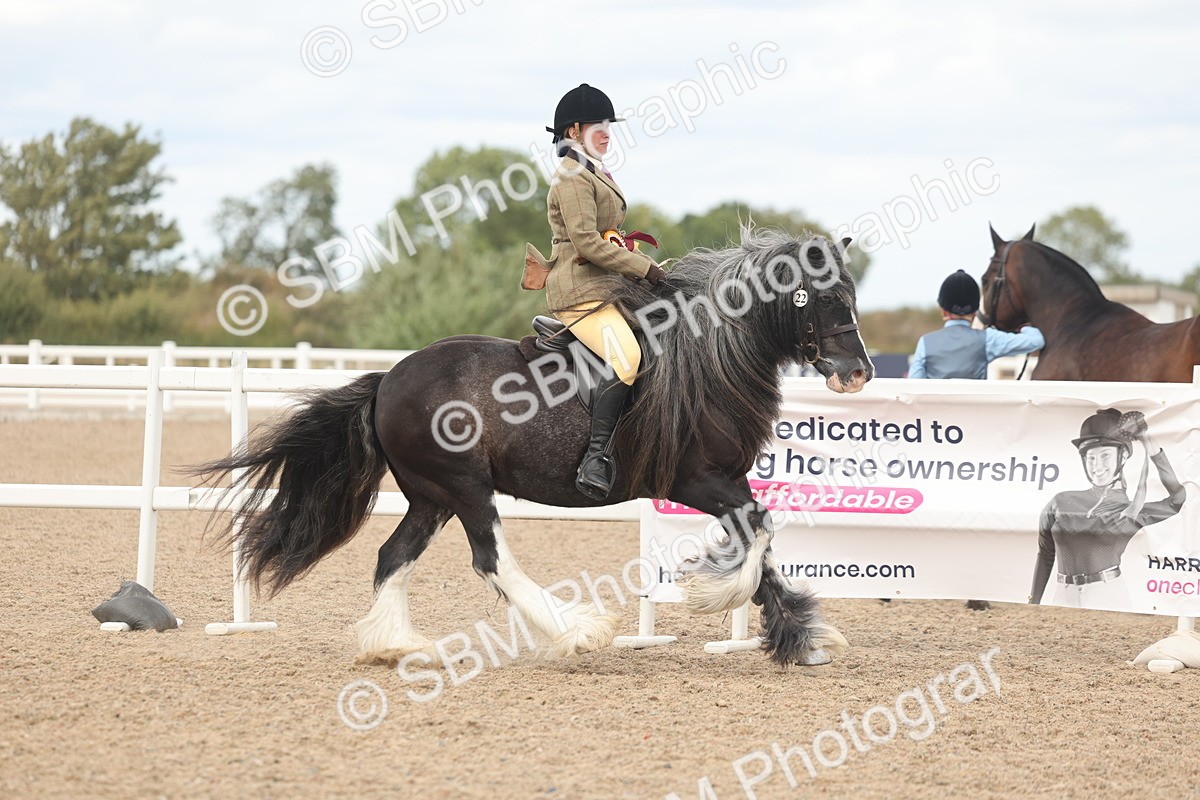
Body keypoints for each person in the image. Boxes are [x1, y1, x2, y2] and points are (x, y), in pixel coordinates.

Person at [530, 84, 667, 501]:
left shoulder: (593, 170)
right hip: (580, 292)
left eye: (609, 125)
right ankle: (596, 457)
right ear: (574, 130)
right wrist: (646, 269)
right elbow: (587, 244)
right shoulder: (572, 178)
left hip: (604, 285)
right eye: (599, 126)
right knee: (627, 357)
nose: (608, 133)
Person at [1029, 409, 1185, 609]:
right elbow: (1045, 553)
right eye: (1090, 458)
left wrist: (1150, 444)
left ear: (1123, 456)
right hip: (1063, 595)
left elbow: (1177, 499)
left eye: (1105, 456)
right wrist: (1033, 602)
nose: (1097, 466)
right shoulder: (1060, 501)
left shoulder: (1132, 511)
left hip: (1108, 593)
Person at [908, 269, 1044, 379]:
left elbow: (913, 386)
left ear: (943, 311)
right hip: (974, 412)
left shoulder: (925, 343)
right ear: (974, 311)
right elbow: (1036, 340)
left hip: (936, 412)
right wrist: (1023, 327)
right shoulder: (988, 339)